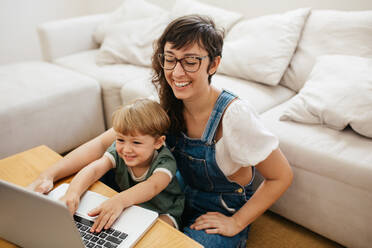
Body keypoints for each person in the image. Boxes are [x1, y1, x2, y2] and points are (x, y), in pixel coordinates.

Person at [29, 15, 293, 248]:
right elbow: (102, 144)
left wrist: (236, 222)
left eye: (191, 61)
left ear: (213, 64)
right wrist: (49, 174)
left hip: (218, 210)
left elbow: (281, 176)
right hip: (174, 193)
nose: (177, 72)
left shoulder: (235, 115)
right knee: (98, 191)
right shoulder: (169, 102)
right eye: (170, 60)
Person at [58, 99, 184, 231]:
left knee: (156, 233)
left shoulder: (165, 161)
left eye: (136, 143)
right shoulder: (119, 152)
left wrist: (119, 200)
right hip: (132, 205)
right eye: (120, 140)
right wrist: (72, 193)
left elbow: (152, 186)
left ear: (158, 142)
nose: (126, 149)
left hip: (164, 211)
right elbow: (94, 169)